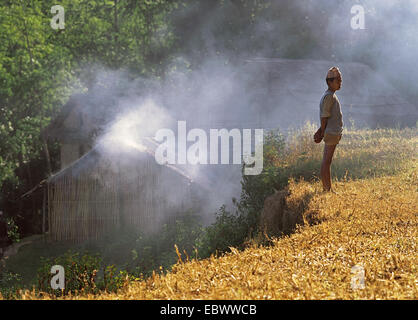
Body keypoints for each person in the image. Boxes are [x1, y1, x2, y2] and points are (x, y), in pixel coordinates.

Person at [316, 67, 344, 192]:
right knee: (326, 162)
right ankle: (327, 189)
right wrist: (322, 132)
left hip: (332, 132)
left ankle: (327, 188)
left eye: (340, 80)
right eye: (337, 80)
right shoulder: (329, 97)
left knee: (327, 161)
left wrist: (320, 130)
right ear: (329, 82)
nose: (339, 83)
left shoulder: (330, 96)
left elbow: (326, 117)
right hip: (331, 132)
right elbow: (324, 116)